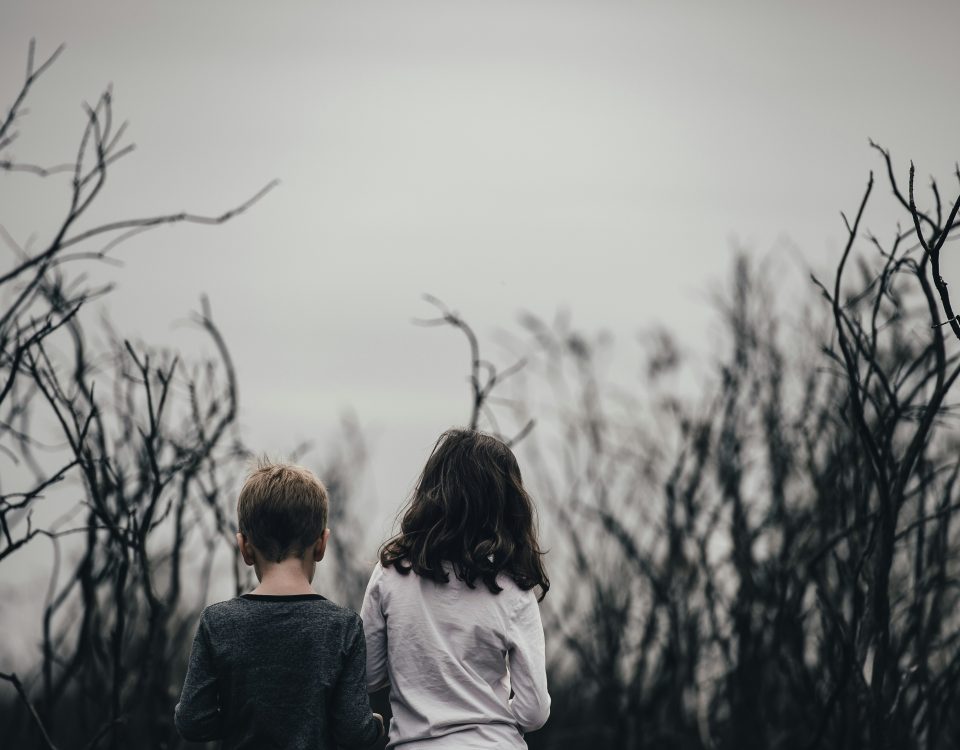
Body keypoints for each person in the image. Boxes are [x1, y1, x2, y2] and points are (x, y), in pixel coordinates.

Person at [361, 428, 551, 749]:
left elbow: (368, 674)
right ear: (507, 504)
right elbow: (533, 712)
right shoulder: (513, 587)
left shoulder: (391, 571)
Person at [174, 460, 384, 749]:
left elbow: (192, 720)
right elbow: (352, 731)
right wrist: (375, 725)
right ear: (321, 544)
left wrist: (242, 718)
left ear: (245, 547)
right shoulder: (342, 626)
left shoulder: (218, 622)